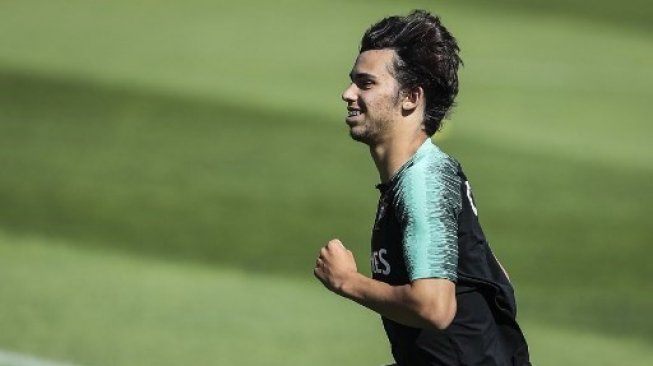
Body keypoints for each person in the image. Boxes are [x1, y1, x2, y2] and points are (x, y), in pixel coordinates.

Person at [313, 10, 531, 366]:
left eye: (366, 83)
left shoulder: (424, 179)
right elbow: (497, 277)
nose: (347, 93)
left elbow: (434, 307)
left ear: (411, 97)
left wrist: (347, 281)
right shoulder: (418, 176)